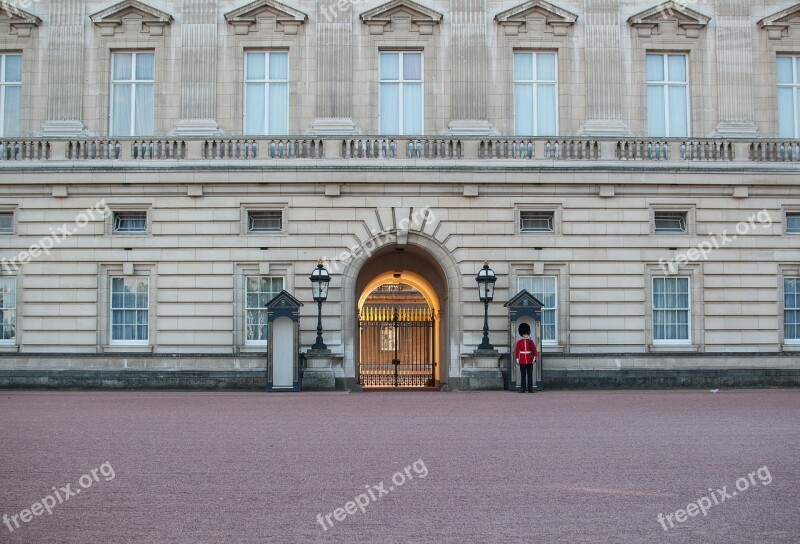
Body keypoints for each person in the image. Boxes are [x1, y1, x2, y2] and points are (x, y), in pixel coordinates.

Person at [515, 323, 538, 393]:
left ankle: (530, 389)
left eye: (526, 334)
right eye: (524, 334)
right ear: (522, 334)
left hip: (529, 360)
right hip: (522, 360)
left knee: (530, 375)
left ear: (528, 334)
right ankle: (523, 389)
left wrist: (534, 358)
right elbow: (517, 351)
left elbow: (534, 350)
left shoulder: (531, 342)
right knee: (523, 375)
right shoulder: (519, 342)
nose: (525, 335)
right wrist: (517, 359)